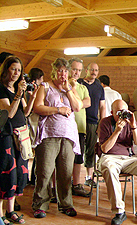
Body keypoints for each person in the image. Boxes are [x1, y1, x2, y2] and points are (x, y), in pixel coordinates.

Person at [32, 58, 83, 218]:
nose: (63, 74)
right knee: (45, 171)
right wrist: (58, 110)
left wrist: (68, 90)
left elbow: (77, 107)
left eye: (66, 71)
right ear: (54, 71)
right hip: (49, 134)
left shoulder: (71, 88)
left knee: (65, 172)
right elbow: (38, 107)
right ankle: (40, 204)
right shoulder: (45, 86)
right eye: (60, 71)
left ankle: (66, 204)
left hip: (68, 135)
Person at [98, 99, 137, 225]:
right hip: (109, 157)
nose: (121, 115)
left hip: (127, 158)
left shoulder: (130, 123)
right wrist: (117, 130)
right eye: (118, 112)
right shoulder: (105, 122)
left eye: (123, 112)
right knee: (109, 168)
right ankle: (119, 211)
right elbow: (105, 149)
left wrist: (133, 126)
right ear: (112, 112)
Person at [0, 56, 38, 224]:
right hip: (7, 135)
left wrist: (33, 96)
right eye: (13, 69)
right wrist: (18, 94)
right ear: (6, 69)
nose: (16, 73)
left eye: (19, 70)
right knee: (7, 172)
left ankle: (10, 211)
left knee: (19, 173)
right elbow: (9, 113)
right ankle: (0, 214)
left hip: (21, 135)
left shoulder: (17, 88)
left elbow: (27, 112)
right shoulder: (1, 89)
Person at [77, 62, 106, 188]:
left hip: (93, 122)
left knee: (90, 150)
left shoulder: (99, 88)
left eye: (96, 70)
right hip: (77, 121)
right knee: (77, 150)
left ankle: (88, 177)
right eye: (92, 70)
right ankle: (75, 179)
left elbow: (103, 106)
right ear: (86, 70)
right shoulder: (78, 83)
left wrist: (102, 124)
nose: (94, 72)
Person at [68, 58, 91, 197]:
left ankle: (76, 185)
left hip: (80, 128)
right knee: (64, 159)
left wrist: (77, 99)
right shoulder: (63, 86)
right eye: (74, 69)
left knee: (78, 158)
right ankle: (62, 186)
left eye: (79, 70)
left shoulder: (83, 87)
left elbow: (87, 103)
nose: (76, 72)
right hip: (65, 129)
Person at [26, 67, 44, 186]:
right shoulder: (31, 90)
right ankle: (32, 178)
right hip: (32, 121)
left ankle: (31, 177)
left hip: (30, 121)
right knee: (35, 149)